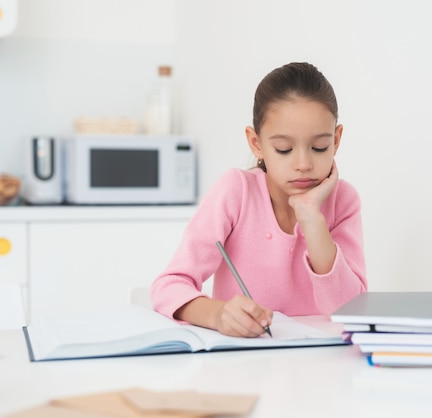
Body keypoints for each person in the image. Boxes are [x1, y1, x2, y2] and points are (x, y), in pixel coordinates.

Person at [151, 62, 367, 337]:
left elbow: (351, 309)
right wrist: (218, 314)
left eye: (319, 147)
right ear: (256, 144)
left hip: (323, 362)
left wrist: (312, 218)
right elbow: (169, 285)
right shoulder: (236, 191)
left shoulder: (344, 201)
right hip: (243, 363)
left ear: (336, 140)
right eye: (284, 149)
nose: (303, 163)